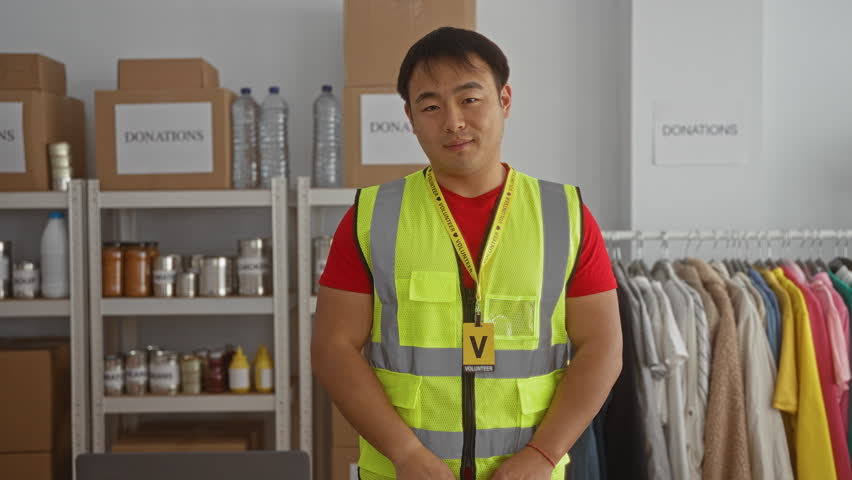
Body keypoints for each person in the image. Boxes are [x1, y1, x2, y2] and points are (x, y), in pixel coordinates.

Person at [312, 26, 622, 480]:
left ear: (505, 100)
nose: (453, 121)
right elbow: (332, 348)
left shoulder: (566, 216)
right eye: (431, 106)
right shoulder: (371, 216)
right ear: (410, 117)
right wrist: (406, 455)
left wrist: (542, 455)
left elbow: (603, 346)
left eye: (469, 99)